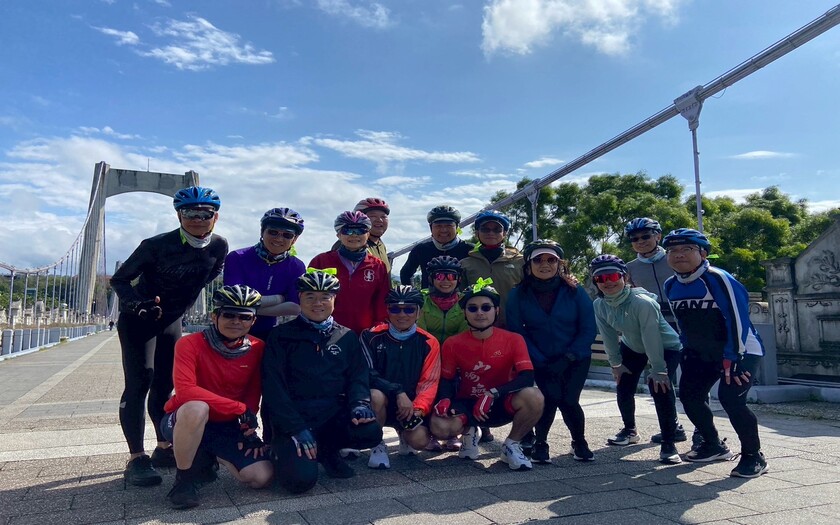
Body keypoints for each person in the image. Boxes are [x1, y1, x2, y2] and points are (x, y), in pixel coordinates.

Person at [111, 186, 228, 487]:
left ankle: (163, 447)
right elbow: (120, 280)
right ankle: (136, 457)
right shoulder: (155, 245)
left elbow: (211, 274)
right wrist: (137, 304)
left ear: (215, 217)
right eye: (189, 213)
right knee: (140, 381)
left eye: (205, 214)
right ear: (178, 215)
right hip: (140, 319)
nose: (197, 219)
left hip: (172, 321)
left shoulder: (219, 246)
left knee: (166, 384)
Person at [261, 270, 383, 493]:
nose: (318, 303)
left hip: (330, 413)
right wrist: (296, 428)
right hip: (293, 417)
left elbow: (358, 376)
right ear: (300, 298)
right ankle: (281, 452)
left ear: (334, 299)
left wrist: (360, 404)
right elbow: (273, 388)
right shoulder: (280, 336)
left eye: (325, 297)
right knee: (299, 482)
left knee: (370, 431)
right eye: (310, 297)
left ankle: (327, 451)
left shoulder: (346, 336)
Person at [662, 228, 768, 477]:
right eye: (672, 250)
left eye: (687, 249)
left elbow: (737, 319)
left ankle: (754, 456)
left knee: (731, 400)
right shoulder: (670, 284)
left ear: (703, 253)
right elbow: (683, 323)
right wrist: (686, 349)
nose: (678, 254)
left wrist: (734, 357)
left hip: (741, 349)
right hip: (701, 351)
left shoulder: (718, 278)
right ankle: (713, 445)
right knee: (689, 396)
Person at [160, 285, 272, 509]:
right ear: (214, 316)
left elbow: (253, 391)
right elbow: (186, 391)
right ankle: (184, 480)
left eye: (244, 317)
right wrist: (239, 409)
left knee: (262, 477)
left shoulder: (258, 347)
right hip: (185, 419)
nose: (236, 321)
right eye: (228, 315)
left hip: (226, 424)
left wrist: (247, 426)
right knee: (196, 407)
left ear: (253, 321)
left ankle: (210, 455)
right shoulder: (188, 344)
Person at [430, 282, 544, 471]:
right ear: (464, 312)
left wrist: (493, 393)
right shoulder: (452, 343)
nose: (480, 313)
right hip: (467, 405)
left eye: (486, 307)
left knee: (535, 397)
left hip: (501, 402)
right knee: (438, 426)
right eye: (472, 308)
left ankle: (511, 445)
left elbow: (526, 377)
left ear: (496, 310)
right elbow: (447, 380)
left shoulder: (514, 339)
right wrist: (444, 399)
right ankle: (469, 432)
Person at [506, 240, 597, 463]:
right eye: (538, 260)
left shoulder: (574, 290)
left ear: (559, 264)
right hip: (541, 359)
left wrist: (570, 356)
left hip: (575, 358)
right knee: (550, 397)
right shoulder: (518, 294)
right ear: (528, 265)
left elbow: (588, 327)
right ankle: (541, 443)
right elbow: (517, 331)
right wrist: (539, 360)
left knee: (569, 400)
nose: (544, 264)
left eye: (551, 260)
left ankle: (579, 442)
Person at [589, 255, 683, 464]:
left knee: (659, 387)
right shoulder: (599, 304)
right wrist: (616, 364)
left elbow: (652, 336)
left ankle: (669, 442)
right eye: (601, 278)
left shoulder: (642, 303)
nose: (608, 282)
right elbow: (608, 336)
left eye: (613, 276)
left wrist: (658, 369)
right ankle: (629, 430)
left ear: (624, 277)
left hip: (665, 346)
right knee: (624, 384)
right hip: (633, 346)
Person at [623, 217, 691, 445]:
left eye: (646, 236)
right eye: (634, 239)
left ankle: (701, 432)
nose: (640, 241)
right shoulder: (629, 268)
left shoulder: (674, 259)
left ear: (658, 236)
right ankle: (671, 427)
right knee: (659, 381)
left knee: (692, 381)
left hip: (684, 325)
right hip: (654, 327)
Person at [361, 285, 441, 469]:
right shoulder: (370, 336)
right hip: (382, 400)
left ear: (419, 312)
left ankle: (403, 433)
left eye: (409, 309)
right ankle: (377, 444)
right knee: (375, 395)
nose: (402, 314)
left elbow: (429, 381)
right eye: (395, 309)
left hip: (409, 406)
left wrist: (418, 409)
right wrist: (397, 392)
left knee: (420, 441)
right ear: (387, 311)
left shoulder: (429, 342)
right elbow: (367, 373)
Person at [223, 208, 306, 341]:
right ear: (262, 232)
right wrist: (279, 299)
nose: (279, 238)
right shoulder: (237, 257)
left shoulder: (297, 266)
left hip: (272, 335)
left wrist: (249, 310)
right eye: (273, 232)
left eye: (287, 235)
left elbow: (294, 308)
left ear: (294, 239)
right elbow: (236, 301)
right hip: (234, 332)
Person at [415, 255, 468, 452]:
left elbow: (465, 334)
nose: (445, 280)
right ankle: (428, 431)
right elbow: (421, 334)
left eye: (451, 276)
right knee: (425, 387)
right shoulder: (421, 300)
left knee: (459, 385)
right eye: (439, 276)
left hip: (456, 356)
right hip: (427, 356)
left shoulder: (466, 301)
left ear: (458, 279)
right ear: (431, 278)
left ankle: (455, 432)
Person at [309, 211, 389, 334]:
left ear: (368, 234)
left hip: (365, 334)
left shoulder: (378, 266)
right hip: (326, 333)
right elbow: (307, 297)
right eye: (348, 230)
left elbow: (382, 303)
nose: (354, 235)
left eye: (360, 230)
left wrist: (378, 327)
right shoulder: (321, 261)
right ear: (338, 234)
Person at [459, 210, 523, 329]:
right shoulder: (465, 264)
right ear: (477, 233)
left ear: (505, 233)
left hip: (514, 327)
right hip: (477, 329)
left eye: (497, 229)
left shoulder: (520, 261)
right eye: (485, 229)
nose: (491, 233)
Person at [399, 205, 473, 289]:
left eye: (449, 225)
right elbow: (405, 274)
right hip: (429, 297)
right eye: (438, 226)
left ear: (457, 227)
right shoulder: (421, 250)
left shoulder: (469, 250)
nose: (443, 230)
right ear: (431, 228)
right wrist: (413, 294)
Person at [331, 198, 392, 273]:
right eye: (373, 216)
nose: (379, 220)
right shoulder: (346, 245)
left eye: (383, 217)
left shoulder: (380, 244)